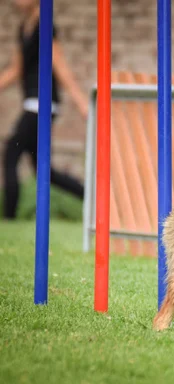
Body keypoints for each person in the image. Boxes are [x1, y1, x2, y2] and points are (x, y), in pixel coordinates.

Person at [1, 0, 88, 220]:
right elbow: (16, 69)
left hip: (41, 103)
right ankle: (89, 197)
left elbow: (60, 65)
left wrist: (81, 101)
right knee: (43, 170)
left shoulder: (45, 25)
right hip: (32, 102)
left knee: (12, 153)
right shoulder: (25, 27)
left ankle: (9, 218)